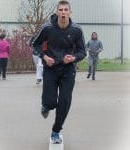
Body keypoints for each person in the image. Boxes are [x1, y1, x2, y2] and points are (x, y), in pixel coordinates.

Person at [33, 0, 86, 144]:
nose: (63, 12)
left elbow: (83, 52)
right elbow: (34, 44)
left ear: (70, 12)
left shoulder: (76, 29)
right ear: (57, 12)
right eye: (61, 10)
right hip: (50, 68)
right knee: (50, 102)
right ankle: (46, 105)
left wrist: (74, 58)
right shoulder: (47, 28)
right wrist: (44, 56)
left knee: (65, 101)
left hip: (68, 69)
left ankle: (56, 131)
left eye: (66, 10)